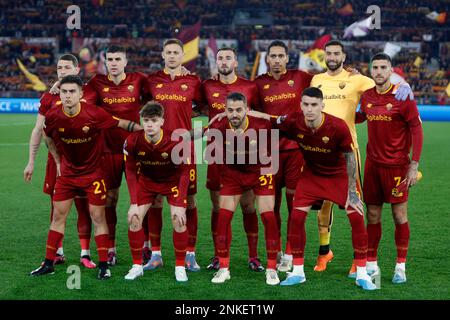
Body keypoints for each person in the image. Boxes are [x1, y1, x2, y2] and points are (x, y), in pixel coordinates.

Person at [247, 87, 377, 290]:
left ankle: (362, 273)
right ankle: (298, 272)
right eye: (306, 104)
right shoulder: (293, 120)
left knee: (357, 217)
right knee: (297, 218)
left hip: (338, 176)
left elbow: (350, 159)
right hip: (311, 176)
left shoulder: (338, 126)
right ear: (301, 105)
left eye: (314, 105)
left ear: (322, 106)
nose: (310, 109)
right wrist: (248, 112)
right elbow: (271, 119)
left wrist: (352, 191)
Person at [310, 40, 414, 274]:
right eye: (329, 53)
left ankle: (359, 259)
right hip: (320, 151)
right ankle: (325, 251)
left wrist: (404, 83)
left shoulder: (357, 79)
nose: (333, 56)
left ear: (344, 56)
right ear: (324, 55)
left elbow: (384, 80)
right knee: (323, 205)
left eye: (337, 53)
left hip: (348, 149)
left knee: (353, 201)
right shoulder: (316, 80)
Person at [30, 75, 141, 279]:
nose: (68, 96)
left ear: (81, 94)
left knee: (98, 217)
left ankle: (103, 265)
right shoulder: (54, 115)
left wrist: (144, 130)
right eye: (64, 92)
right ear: (60, 94)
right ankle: (48, 263)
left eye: (72, 91)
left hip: (93, 175)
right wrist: (57, 160)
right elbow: (46, 136)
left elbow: (121, 124)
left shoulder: (95, 113)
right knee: (57, 216)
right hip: (68, 175)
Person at [357, 53, 423, 284]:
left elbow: (416, 128)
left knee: (399, 215)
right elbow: (356, 118)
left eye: (383, 67)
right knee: (372, 214)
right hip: (372, 165)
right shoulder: (366, 96)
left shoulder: (402, 96)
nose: (378, 71)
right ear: (370, 70)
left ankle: (400, 267)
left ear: (390, 69)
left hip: (396, 167)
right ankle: (372, 265)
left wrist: (413, 165)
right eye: (374, 67)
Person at [23, 54, 95, 268]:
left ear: (77, 69)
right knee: (56, 207)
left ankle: (85, 253)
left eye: (66, 67)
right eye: (59, 68)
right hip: (56, 161)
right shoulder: (49, 97)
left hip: (84, 161)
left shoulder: (90, 92)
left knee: (85, 207)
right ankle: (58, 252)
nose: (62, 71)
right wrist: (31, 161)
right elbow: (38, 130)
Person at [82, 45, 151, 266]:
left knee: (143, 199)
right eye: (109, 59)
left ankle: (146, 246)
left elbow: (158, 96)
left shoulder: (139, 80)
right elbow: (86, 108)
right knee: (110, 199)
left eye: (117, 59)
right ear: (105, 61)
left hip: (136, 150)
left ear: (125, 61)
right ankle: (111, 248)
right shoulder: (96, 83)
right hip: (107, 150)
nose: (113, 62)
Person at [206, 92, 280, 285]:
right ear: (224, 111)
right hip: (233, 174)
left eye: (239, 110)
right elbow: (200, 135)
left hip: (260, 171)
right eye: (230, 110)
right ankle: (224, 268)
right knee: (223, 217)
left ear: (247, 110)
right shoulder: (218, 125)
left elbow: (286, 124)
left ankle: (271, 269)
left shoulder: (262, 124)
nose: (234, 114)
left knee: (268, 217)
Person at [202, 47, 263, 272]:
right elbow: (198, 106)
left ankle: (253, 256)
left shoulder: (250, 87)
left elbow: (259, 114)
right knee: (218, 207)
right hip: (217, 154)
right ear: (215, 61)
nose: (224, 61)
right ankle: (219, 256)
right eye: (220, 58)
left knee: (248, 206)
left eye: (228, 57)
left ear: (236, 62)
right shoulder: (207, 86)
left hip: (247, 156)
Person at [145, 39, 203, 272]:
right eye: (167, 52)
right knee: (155, 200)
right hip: (156, 149)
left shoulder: (193, 81)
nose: (171, 56)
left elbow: (204, 106)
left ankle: (190, 253)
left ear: (182, 55)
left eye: (175, 52)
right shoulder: (151, 81)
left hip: (184, 148)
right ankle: (156, 254)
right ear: (162, 54)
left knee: (190, 200)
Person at [254, 40, 312, 272]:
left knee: (295, 204)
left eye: (281, 56)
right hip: (268, 153)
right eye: (273, 56)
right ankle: (275, 249)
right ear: (267, 59)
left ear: (288, 58)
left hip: (296, 151)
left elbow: (331, 81)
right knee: (271, 206)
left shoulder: (302, 77)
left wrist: (352, 72)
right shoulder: (258, 84)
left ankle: (290, 252)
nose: (277, 60)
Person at [123, 101, 191, 282]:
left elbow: (185, 171)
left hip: (172, 182)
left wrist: (181, 202)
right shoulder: (132, 140)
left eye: (154, 120)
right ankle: (137, 266)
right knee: (134, 217)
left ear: (162, 121)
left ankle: (179, 267)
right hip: (147, 182)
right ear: (141, 121)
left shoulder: (176, 141)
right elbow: (129, 170)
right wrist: (133, 202)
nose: (150, 124)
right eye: (146, 121)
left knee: (179, 219)